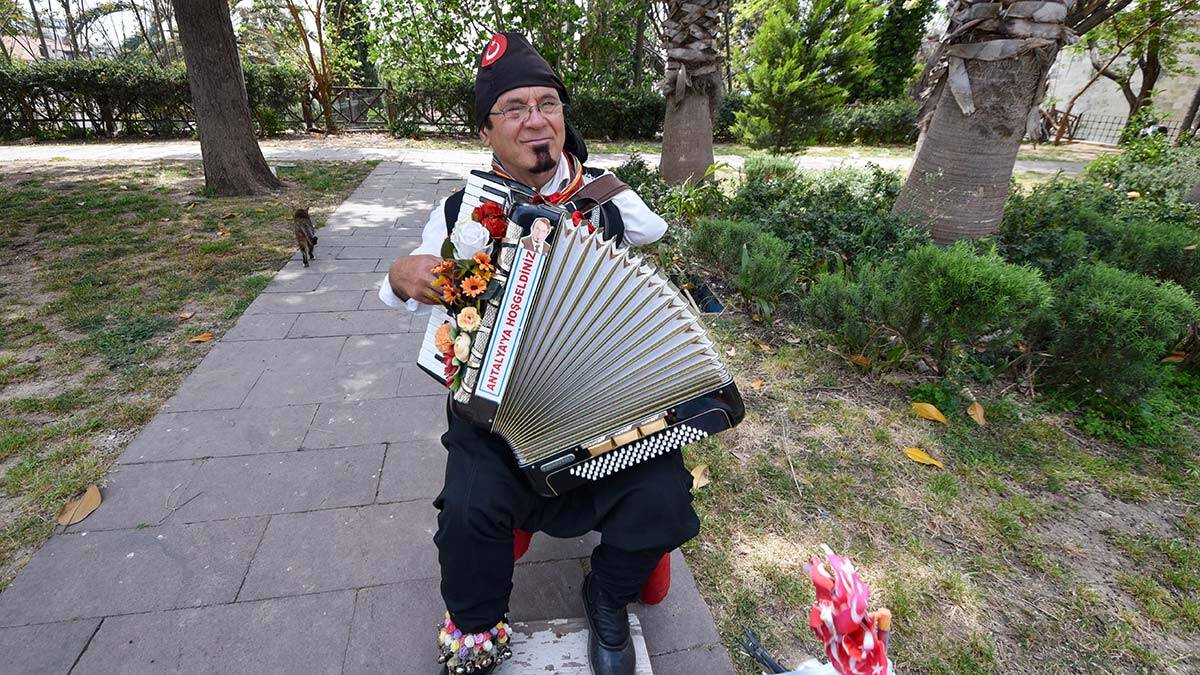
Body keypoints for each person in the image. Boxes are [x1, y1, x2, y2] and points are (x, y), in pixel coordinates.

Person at [379, 33, 697, 675]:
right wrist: (399, 274)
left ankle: (606, 595)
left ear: (562, 117)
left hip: (603, 415)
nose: (535, 119)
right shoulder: (457, 213)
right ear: (486, 131)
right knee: (467, 514)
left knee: (665, 494)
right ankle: (475, 632)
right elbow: (403, 287)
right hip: (494, 420)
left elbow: (649, 257)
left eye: (547, 103)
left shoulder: (609, 201)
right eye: (515, 107)